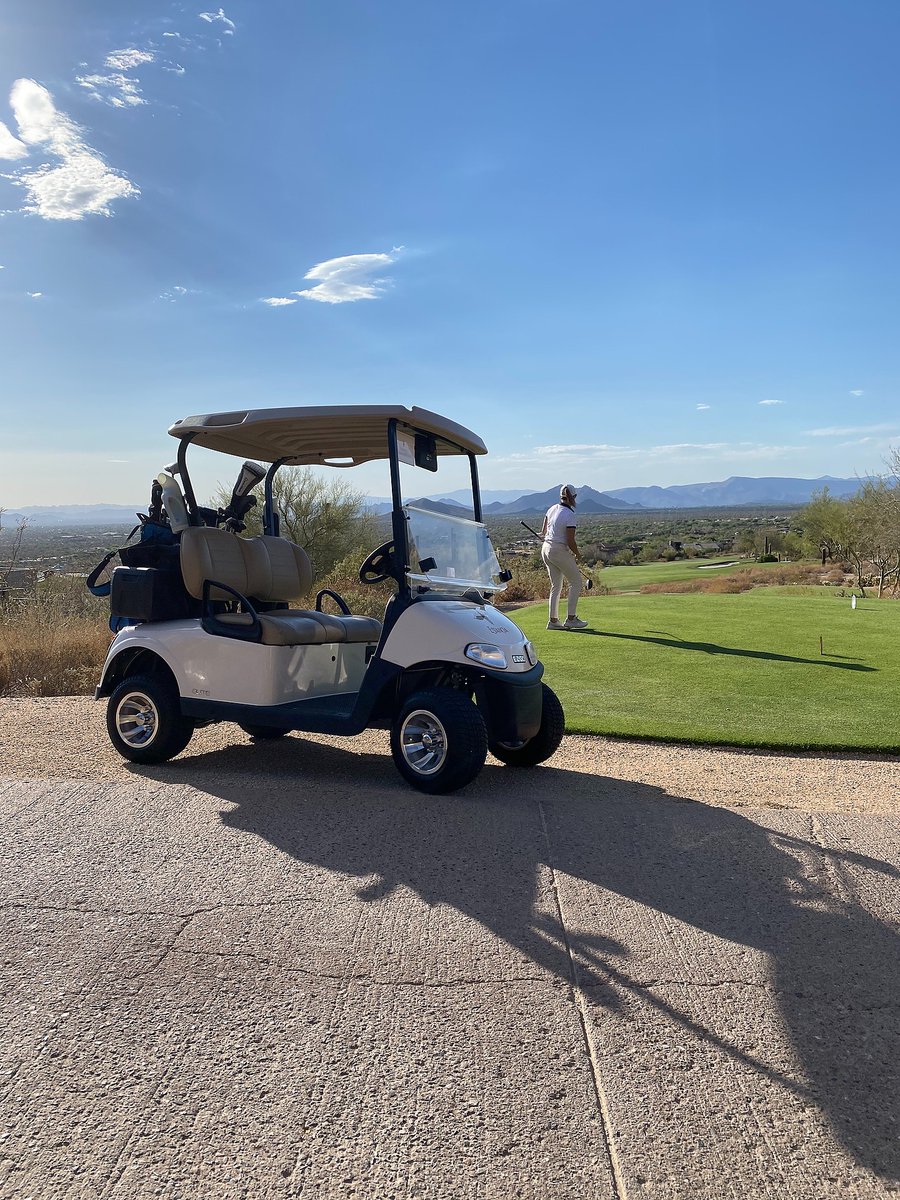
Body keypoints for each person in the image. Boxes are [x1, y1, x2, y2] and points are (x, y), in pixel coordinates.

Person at [540, 484, 588, 631]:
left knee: (556, 586)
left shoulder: (552, 508)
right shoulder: (570, 515)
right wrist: (578, 555)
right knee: (576, 582)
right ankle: (571, 619)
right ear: (573, 497)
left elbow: (543, 532)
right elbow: (570, 540)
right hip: (558, 550)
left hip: (546, 549)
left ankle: (553, 621)